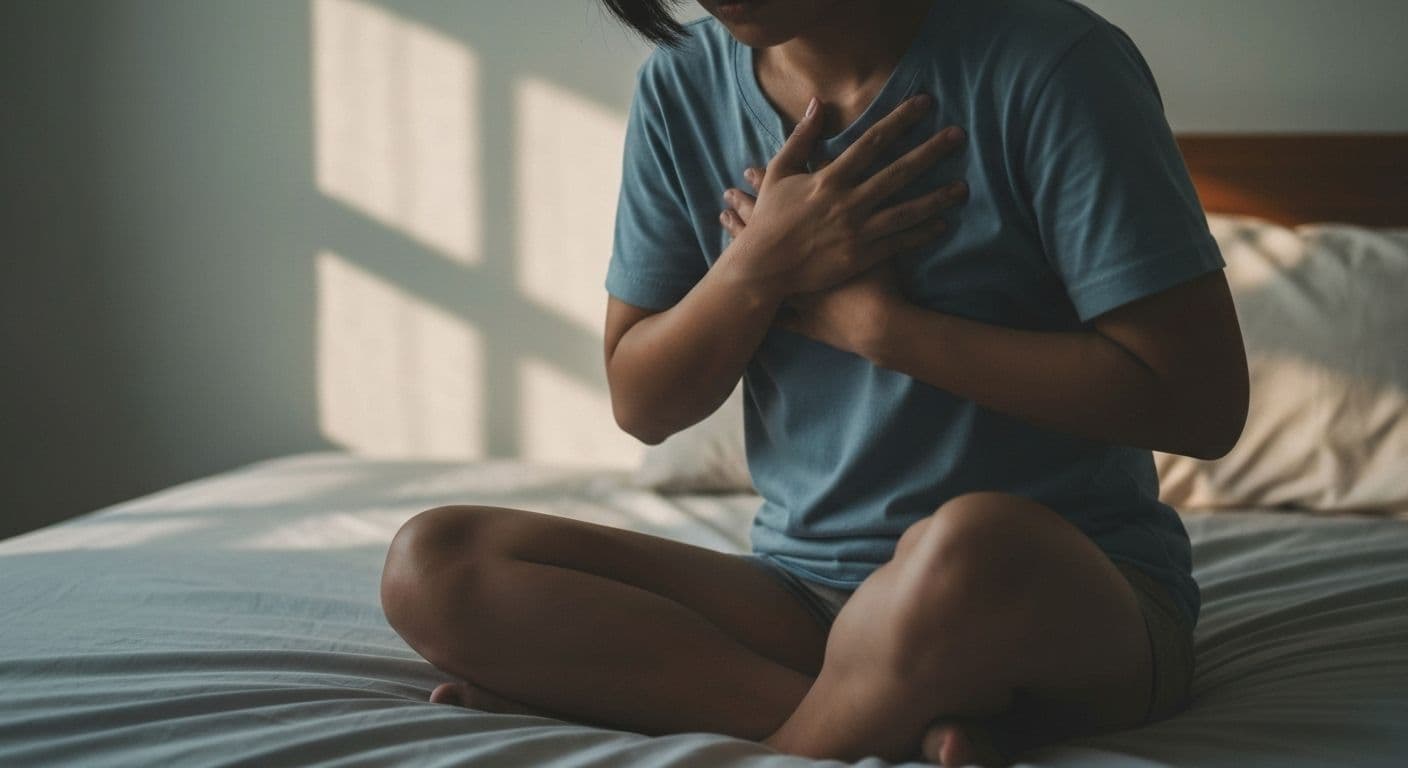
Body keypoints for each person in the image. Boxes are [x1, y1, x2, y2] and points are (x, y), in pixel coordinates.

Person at [379, 0, 1250, 765]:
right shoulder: (681, 88)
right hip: (806, 594)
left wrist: (886, 331)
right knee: (437, 563)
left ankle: (786, 746)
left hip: (1057, 594)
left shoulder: (1052, 63)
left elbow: (1202, 407)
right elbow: (644, 405)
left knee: (971, 546)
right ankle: (885, 721)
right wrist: (756, 270)